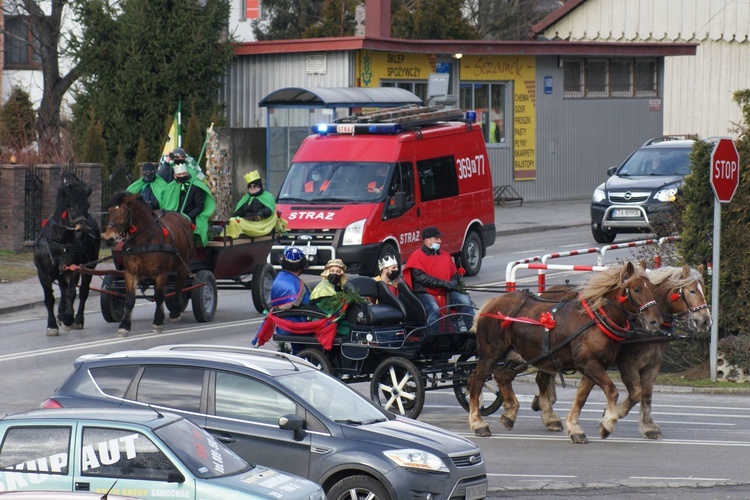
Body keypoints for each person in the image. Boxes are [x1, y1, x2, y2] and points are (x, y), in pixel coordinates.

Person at [403, 226, 473, 326]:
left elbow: (455, 274)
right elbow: (421, 278)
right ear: (427, 240)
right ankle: (433, 336)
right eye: (436, 238)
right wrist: (443, 283)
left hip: (445, 292)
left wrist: (452, 283)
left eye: (439, 238)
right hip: (426, 293)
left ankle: (471, 331)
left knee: (465, 300)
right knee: (434, 309)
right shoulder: (416, 257)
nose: (440, 241)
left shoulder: (445, 255)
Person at [162, 161, 216, 246]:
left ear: (187, 173)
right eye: (179, 175)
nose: (182, 176)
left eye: (184, 174)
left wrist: (187, 216)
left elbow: (199, 206)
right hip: (173, 217)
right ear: (175, 176)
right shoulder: (170, 187)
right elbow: (166, 205)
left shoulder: (194, 186)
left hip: (190, 217)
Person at [221, 170, 279, 239]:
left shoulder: (267, 196)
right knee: (233, 221)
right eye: (250, 186)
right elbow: (240, 211)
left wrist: (261, 213)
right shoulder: (246, 198)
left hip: (260, 224)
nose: (252, 188)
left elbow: (269, 209)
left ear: (260, 187)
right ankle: (225, 239)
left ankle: (230, 240)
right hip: (247, 221)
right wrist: (230, 218)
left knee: (235, 222)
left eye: (255, 186)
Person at [310, 259, 351, 335]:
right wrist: (346, 301)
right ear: (328, 272)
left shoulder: (337, 287)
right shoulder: (322, 288)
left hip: (335, 317)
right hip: (323, 319)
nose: (335, 274)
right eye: (332, 271)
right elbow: (328, 308)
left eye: (337, 272)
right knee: (350, 328)